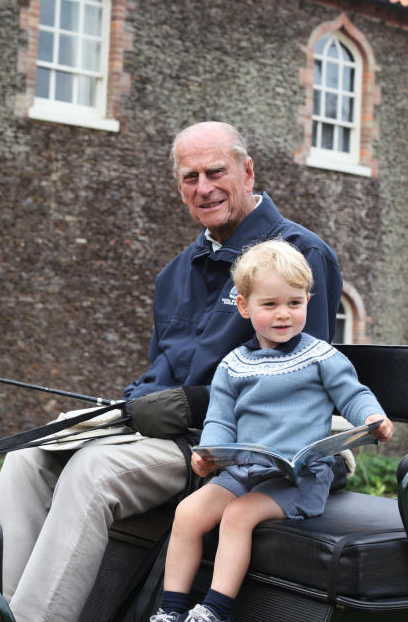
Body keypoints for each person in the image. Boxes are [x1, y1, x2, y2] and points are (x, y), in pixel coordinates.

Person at [0, 121, 344, 622]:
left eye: (215, 172)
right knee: (31, 455)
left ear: (246, 171)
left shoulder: (301, 256)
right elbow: (161, 372)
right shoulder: (175, 273)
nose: (204, 188)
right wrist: (119, 410)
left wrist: (188, 405)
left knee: (93, 473)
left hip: (234, 449)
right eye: (189, 177)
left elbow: (303, 380)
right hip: (163, 434)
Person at [150, 240, 394, 622]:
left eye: (294, 303)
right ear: (245, 307)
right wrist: (208, 454)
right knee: (188, 512)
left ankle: (214, 610)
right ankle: (170, 609)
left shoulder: (320, 356)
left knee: (238, 516)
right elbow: (219, 419)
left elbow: (353, 395)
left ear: (307, 302)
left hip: (300, 479)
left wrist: (372, 419)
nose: (284, 315)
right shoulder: (233, 365)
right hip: (244, 472)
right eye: (270, 305)